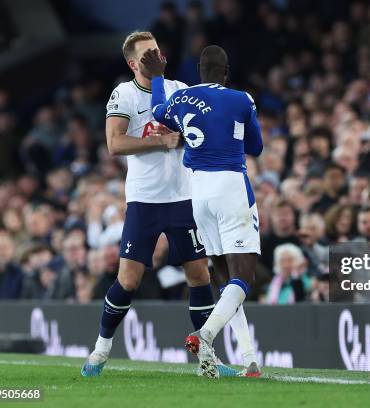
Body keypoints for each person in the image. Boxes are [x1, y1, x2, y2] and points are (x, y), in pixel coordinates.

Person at [81, 32, 240, 378]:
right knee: (129, 280)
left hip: (184, 197)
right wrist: (160, 142)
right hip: (145, 201)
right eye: (148, 53)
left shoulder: (180, 88)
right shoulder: (123, 93)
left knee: (199, 275)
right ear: (133, 63)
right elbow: (114, 143)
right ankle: (101, 348)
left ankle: (207, 359)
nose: (157, 55)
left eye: (158, 49)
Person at [144, 44, 263, 378]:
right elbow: (256, 147)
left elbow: (157, 111)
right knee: (244, 276)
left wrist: (157, 77)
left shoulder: (181, 99)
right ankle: (206, 334)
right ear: (226, 72)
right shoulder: (241, 99)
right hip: (230, 186)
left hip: (198, 193)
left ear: (199, 70)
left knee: (224, 277)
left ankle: (249, 358)